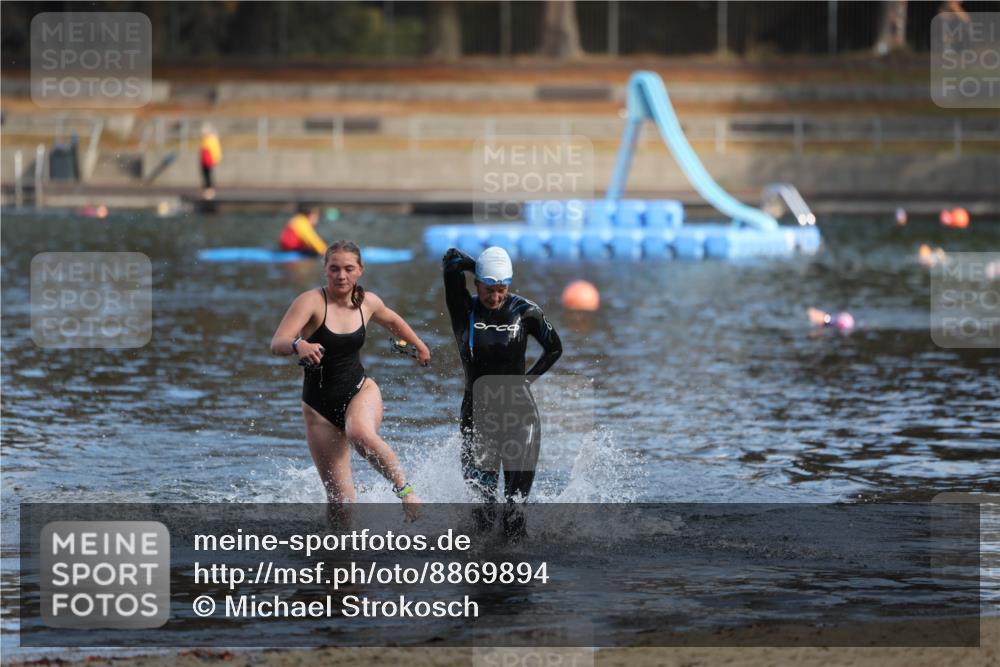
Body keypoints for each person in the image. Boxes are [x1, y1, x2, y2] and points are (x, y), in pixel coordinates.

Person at [272, 241, 430, 520]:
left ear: (360, 271)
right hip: (319, 409)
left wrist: (419, 345)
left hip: (360, 391)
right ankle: (339, 559)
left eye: (348, 269)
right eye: (334, 269)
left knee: (360, 433)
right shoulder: (311, 301)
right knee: (341, 503)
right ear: (325, 271)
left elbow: (392, 320)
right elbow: (278, 342)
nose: (341, 276)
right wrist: (299, 345)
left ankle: (406, 492)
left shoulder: (367, 302)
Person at [442, 246, 562, 505]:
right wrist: (485, 267)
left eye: (501, 289)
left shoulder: (526, 311)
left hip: (520, 416)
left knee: (515, 505)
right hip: (478, 416)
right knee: (482, 507)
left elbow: (554, 349)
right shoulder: (463, 311)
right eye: (488, 289)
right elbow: (451, 261)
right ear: (476, 284)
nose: (495, 297)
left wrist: (527, 380)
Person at [199, 124, 222, 200]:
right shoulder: (205, 139)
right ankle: (206, 191)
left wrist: (216, 159)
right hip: (204, 160)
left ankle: (210, 192)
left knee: (208, 175)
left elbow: (216, 150)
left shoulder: (212, 139)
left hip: (209, 160)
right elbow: (202, 150)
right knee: (205, 175)